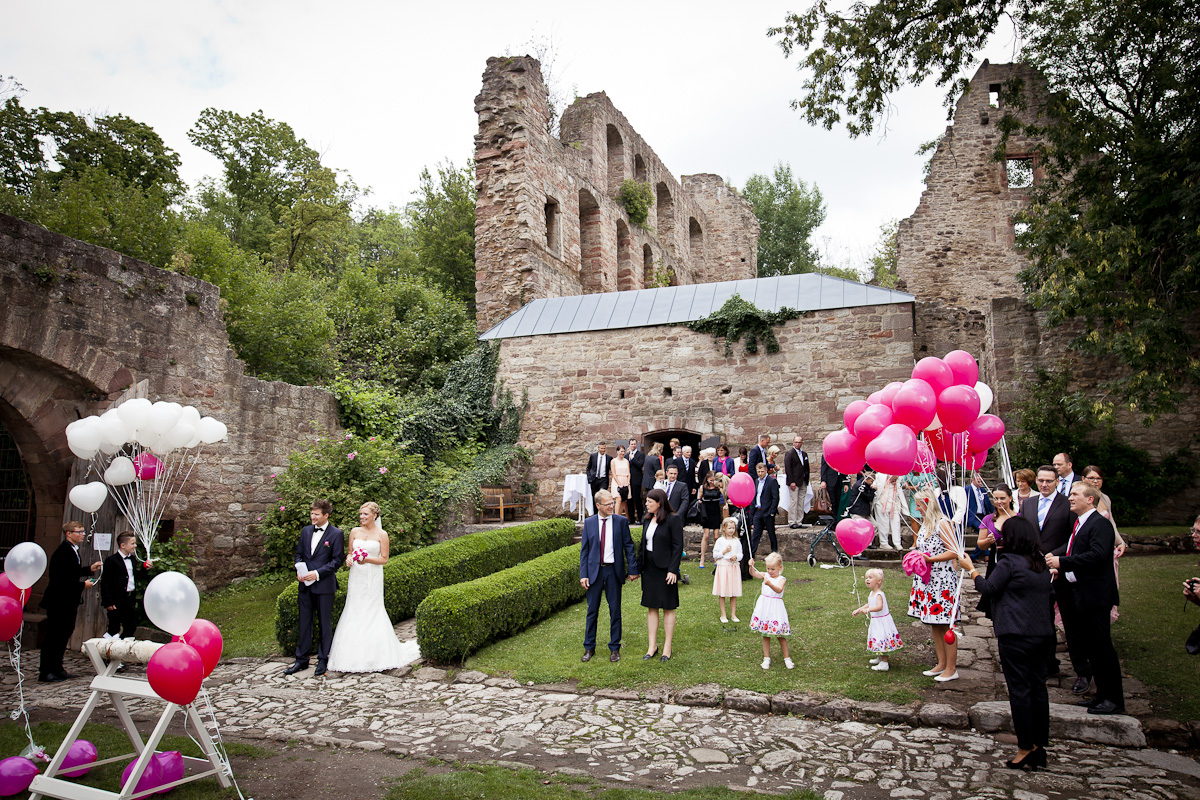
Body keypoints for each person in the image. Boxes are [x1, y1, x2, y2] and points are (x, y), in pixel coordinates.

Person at [957, 516, 1054, 770]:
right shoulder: (1039, 562)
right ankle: (1039, 746)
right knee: (1038, 689)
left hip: (1016, 634)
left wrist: (971, 568)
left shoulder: (1010, 562)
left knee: (1020, 691)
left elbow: (989, 588)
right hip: (1042, 634)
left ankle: (1025, 747)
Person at [1046, 481, 1125, 715]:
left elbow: (1098, 556)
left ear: (1090, 499)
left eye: (1075, 494)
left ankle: (1114, 699)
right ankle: (1101, 695)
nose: (1070, 497)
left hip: (1096, 595)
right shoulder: (1081, 522)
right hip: (1080, 593)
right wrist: (1063, 570)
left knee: (1102, 649)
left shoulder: (1100, 524)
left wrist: (1063, 562)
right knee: (1092, 648)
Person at [328, 502, 413, 673]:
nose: (362, 517)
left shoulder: (382, 534)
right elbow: (350, 552)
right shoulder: (354, 532)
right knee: (354, 607)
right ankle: (349, 655)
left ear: (375, 515)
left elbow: (384, 559)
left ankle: (376, 655)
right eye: (360, 514)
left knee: (373, 609)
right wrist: (349, 559)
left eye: (365, 514)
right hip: (357, 576)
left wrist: (367, 560)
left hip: (372, 576)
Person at [1022, 464, 1085, 688]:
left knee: (1070, 620)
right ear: (1036, 481)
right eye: (1041, 480)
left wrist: (1055, 556)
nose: (1044, 484)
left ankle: (1082, 671)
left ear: (1057, 482)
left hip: (1059, 569)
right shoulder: (1028, 504)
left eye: (1049, 481)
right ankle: (1046, 663)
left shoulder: (1066, 504)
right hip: (1033, 571)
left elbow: (1072, 537)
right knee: (1038, 619)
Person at [285, 500, 345, 677]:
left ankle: (322, 659)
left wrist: (317, 574)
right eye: (312, 513)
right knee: (304, 623)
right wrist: (299, 568)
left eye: (316, 514)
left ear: (326, 515)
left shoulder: (336, 534)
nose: (313, 516)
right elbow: (299, 555)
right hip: (304, 586)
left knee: (324, 624)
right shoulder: (305, 531)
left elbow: (337, 561)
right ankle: (301, 660)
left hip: (324, 586)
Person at [578, 490, 639, 662]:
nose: (612, 506)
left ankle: (614, 648)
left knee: (615, 610)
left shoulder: (620, 521)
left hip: (613, 571)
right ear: (598, 506)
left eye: (612, 502)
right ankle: (589, 648)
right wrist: (584, 574)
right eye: (608, 504)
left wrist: (633, 569)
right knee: (592, 611)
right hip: (594, 572)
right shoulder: (589, 523)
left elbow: (628, 546)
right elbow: (585, 551)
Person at [908, 488, 961, 682]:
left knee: (947, 624)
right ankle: (941, 662)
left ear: (928, 503)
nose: (918, 509)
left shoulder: (943, 524)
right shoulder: (925, 525)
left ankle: (952, 667)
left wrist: (930, 559)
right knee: (934, 622)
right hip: (928, 579)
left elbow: (954, 551)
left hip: (943, 579)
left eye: (920, 505)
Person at [39, 521, 102, 682]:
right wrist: (83, 585)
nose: (82, 534)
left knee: (64, 634)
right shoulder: (63, 552)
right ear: (69, 534)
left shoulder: (72, 550)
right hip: (58, 601)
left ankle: (58, 668)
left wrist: (89, 569)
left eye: (83, 531)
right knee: (54, 636)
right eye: (79, 532)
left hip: (68, 601)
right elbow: (61, 580)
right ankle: (46, 671)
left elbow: (71, 572)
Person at [639, 488, 683, 662]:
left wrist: (673, 569)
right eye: (647, 501)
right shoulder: (647, 519)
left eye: (650, 501)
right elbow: (643, 543)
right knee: (651, 606)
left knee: (668, 606)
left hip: (666, 569)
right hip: (649, 568)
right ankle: (652, 646)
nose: (647, 504)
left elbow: (677, 546)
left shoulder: (674, 519)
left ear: (660, 503)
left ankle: (667, 647)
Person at [748, 553, 793, 669]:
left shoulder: (781, 579)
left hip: (776, 608)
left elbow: (779, 590)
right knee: (765, 634)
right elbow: (753, 573)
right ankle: (766, 658)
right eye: (768, 568)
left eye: (773, 569)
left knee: (780, 635)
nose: (770, 571)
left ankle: (787, 658)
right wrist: (750, 566)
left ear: (780, 567)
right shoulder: (765, 575)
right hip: (765, 607)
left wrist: (770, 584)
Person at [853, 568, 903, 670]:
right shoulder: (872, 593)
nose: (867, 580)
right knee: (878, 639)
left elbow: (879, 606)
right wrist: (859, 609)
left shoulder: (879, 594)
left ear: (878, 581)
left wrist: (868, 610)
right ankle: (880, 657)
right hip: (876, 621)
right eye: (866, 578)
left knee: (882, 639)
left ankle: (884, 663)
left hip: (882, 621)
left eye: (870, 578)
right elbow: (870, 603)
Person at [100, 532, 144, 640]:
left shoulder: (133, 559)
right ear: (122, 545)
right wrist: (108, 602)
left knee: (131, 625)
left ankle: (123, 646)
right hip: (116, 598)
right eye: (132, 543)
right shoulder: (111, 560)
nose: (135, 546)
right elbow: (105, 582)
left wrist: (145, 568)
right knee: (114, 626)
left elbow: (134, 576)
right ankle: (107, 649)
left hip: (130, 597)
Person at [974, 484, 1016, 576]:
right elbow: (981, 545)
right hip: (995, 562)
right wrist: (988, 541)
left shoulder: (1019, 518)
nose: (999, 501)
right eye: (996, 498)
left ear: (1010, 498)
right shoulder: (988, 519)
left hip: (1015, 562)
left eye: (1002, 498)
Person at [712, 517, 743, 623]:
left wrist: (736, 557)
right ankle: (723, 614)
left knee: (733, 592)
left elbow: (740, 554)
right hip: (724, 567)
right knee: (723, 592)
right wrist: (724, 552)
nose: (731, 530)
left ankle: (733, 614)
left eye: (733, 528)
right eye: (729, 528)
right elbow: (715, 554)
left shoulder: (736, 541)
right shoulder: (720, 541)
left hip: (733, 567)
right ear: (724, 528)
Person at [751, 462, 779, 556]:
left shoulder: (771, 481)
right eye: (758, 471)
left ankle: (774, 553)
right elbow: (755, 496)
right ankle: (752, 554)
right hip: (758, 511)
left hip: (767, 511)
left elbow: (775, 497)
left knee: (771, 533)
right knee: (756, 534)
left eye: (762, 471)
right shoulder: (756, 481)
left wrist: (772, 511)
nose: (760, 473)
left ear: (766, 471)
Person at [964, 472, 995, 558]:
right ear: (972, 480)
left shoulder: (983, 490)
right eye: (978, 481)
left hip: (984, 515)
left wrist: (994, 512)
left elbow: (988, 503)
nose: (980, 482)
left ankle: (982, 554)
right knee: (982, 530)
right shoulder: (967, 490)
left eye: (981, 481)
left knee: (990, 531)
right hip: (973, 516)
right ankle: (981, 555)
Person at [697, 472, 724, 569]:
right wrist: (699, 501)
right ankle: (702, 557)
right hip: (706, 512)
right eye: (710, 480)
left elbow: (725, 495)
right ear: (707, 479)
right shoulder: (702, 487)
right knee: (706, 535)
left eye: (714, 480)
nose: (712, 482)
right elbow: (699, 498)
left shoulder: (718, 487)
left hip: (716, 512)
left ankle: (716, 557)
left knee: (716, 536)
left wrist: (721, 488)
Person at [784, 436, 811, 529]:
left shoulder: (804, 454)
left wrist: (807, 479)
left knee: (801, 502)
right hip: (794, 481)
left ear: (802, 443)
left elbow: (806, 467)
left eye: (799, 442)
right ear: (793, 442)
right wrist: (791, 481)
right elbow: (788, 468)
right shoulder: (790, 454)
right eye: (796, 442)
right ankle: (792, 521)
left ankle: (799, 521)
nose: (797, 444)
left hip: (803, 481)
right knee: (794, 501)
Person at [872, 473, 904, 550]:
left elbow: (903, 485)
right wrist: (874, 487)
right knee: (883, 524)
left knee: (896, 523)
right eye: (893, 478)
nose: (895, 480)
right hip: (881, 502)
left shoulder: (899, 479)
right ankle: (883, 543)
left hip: (894, 503)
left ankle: (897, 543)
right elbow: (873, 484)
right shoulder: (880, 476)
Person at [820, 456, 851, 520]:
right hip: (830, 480)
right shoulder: (827, 454)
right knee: (832, 501)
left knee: (838, 501)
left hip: (839, 481)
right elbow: (823, 467)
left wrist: (846, 483)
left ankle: (838, 519)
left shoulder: (841, 454)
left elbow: (845, 467)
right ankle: (833, 520)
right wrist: (823, 481)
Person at [585, 443, 612, 514]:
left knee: (602, 496)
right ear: (598, 448)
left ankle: (602, 513)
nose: (603, 450)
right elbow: (588, 468)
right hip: (594, 479)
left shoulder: (609, 458)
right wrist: (589, 477)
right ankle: (595, 514)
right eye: (601, 448)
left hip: (603, 480)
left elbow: (611, 469)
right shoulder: (593, 456)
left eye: (604, 448)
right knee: (595, 497)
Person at [626, 437, 646, 525]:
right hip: (628, 480)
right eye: (631, 444)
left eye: (634, 444)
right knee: (629, 500)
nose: (633, 446)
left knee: (637, 499)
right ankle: (631, 519)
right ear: (629, 445)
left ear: (636, 445)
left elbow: (640, 465)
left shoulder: (640, 454)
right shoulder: (626, 455)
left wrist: (633, 458)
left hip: (636, 480)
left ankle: (640, 518)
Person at [608, 445, 631, 518]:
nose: (622, 453)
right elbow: (613, 473)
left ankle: (621, 517)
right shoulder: (613, 461)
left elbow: (629, 473)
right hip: (617, 480)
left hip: (625, 480)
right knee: (618, 499)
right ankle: (616, 517)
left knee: (623, 500)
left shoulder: (626, 461)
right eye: (621, 451)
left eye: (624, 451)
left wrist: (628, 482)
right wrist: (619, 483)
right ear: (617, 452)